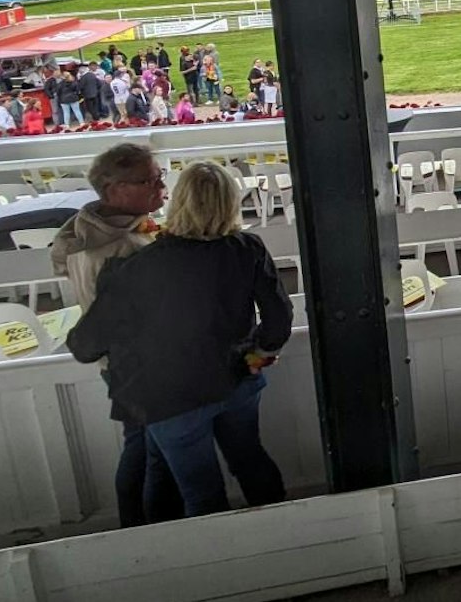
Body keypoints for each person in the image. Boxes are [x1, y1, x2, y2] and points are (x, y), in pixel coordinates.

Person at [69, 162, 291, 518]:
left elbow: (85, 345)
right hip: (238, 381)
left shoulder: (143, 264)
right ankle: (286, 534)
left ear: (179, 201)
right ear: (231, 202)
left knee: (200, 492)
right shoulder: (247, 247)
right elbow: (278, 320)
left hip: (171, 398)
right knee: (251, 461)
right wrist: (258, 353)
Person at [44, 145, 181, 526]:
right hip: (142, 362)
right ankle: (156, 531)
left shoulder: (81, 228)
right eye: (150, 180)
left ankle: (134, 524)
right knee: (156, 451)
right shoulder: (118, 251)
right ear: (114, 189)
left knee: (140, 442)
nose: (161, 187)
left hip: (119, 361)